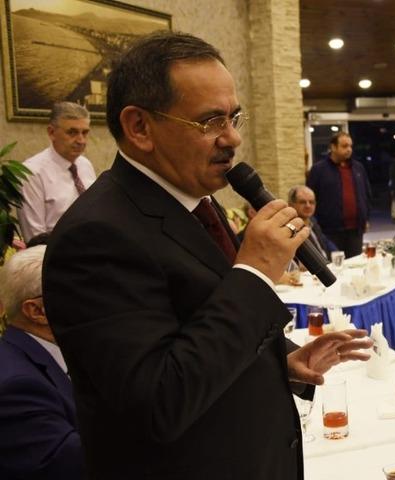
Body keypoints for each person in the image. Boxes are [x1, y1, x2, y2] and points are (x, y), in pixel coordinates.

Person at [42, 32, 371, 480]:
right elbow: (158, 401)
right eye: (210, 121)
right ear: (139, 127)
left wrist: (279, 360)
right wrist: (255, 271)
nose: (232, 138)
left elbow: (201, 327)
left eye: (234, 118)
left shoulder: (198, 200)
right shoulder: (95, 237)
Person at [0, 246, 83, 480]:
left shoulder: (52, 354)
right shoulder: (16, 386)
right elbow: (72, 466)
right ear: (37, 311)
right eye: (80, 291)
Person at [18, 102, 96, 242]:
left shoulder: (85, 165)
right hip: (56, 251)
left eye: (85, 132)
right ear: (51, 132)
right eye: (72, 132)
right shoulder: (32, 173)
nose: (81, 140)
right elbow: (35, 238)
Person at [308, 131, 373, 258]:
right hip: (330, 231)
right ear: (333, 147)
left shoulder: (358, 168)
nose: (349, 149)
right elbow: (311, 198)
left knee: (356, 264)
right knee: (336, 265)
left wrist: (366, 218)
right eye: (344, 146)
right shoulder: (319, 170)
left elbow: (366, 194)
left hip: (355, 230)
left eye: (350, 146)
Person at [288, 185, 335, 261]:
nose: (308, 205)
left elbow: (324, 241)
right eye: (302, 202)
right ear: (291, 204)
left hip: (327, 264)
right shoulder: (290, 228)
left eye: (311, 202)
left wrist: (336, 252)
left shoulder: (312, 221)